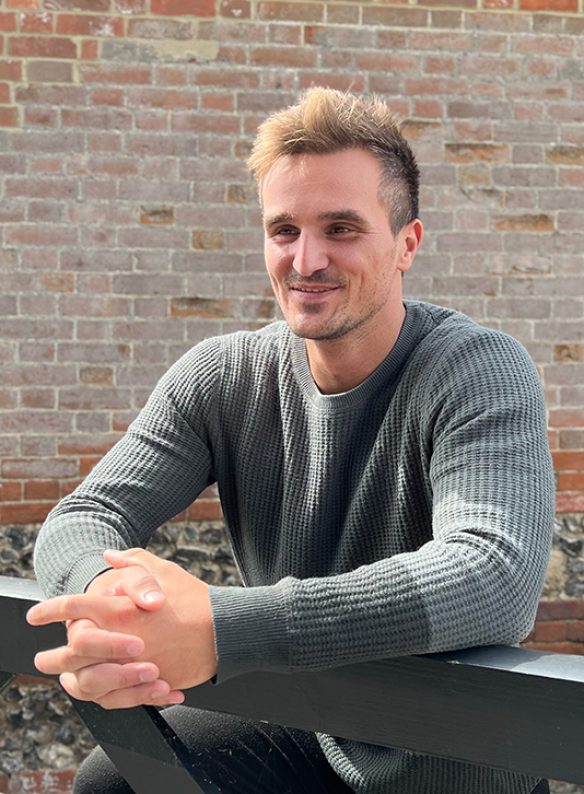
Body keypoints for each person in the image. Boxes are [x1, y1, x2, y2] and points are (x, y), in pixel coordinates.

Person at [28, 88, 555, 794]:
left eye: (341, 228)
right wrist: (118, 603)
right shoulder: (223, 377)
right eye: (283, 231)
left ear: (407, 244)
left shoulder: (477, 369)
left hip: (449, 757)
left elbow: (493, 580)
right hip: (312, 723)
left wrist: (222, 627)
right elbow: (82, 517)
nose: (306, 260)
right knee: (117, 782)